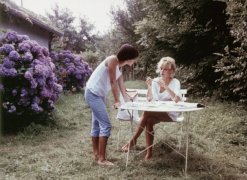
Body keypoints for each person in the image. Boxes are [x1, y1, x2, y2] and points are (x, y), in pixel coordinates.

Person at [84, 44, 139, 166]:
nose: (135, 61)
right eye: (134, 58)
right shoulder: (113, 60)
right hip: (92, 93)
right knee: (106, 125)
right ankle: (102, 160)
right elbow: (112, 81)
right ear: (129, 57)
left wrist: (129, 101)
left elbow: (122, 88)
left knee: (97, 124)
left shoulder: (119, 67)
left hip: (99, 94)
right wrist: (116, 101)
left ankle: (97, 155)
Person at [121, 56, 181, 160]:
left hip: (171, 113)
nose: (162, 71)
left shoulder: (175, 82)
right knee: (148, 120)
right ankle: (149, 153)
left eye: (166, 69)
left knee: (147, 113)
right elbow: (152, 100)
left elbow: (176, 100)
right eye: (161, 68)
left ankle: (133, 140)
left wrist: (166, 87)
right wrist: (149, 86)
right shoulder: (156, 81)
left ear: (171, 71)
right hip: (157, 111)